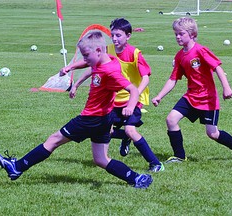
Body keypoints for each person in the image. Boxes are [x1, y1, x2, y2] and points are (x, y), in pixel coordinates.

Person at [0, 31, 153, 189]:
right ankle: (136, 178)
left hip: (90, 119)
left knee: (54, 140)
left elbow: (132, 89)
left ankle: (17, 167)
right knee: (101, 159)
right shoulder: (108, 59)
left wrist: (131, 106)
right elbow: (89, 64)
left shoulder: (109, 71)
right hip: (104, 118)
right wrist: (70, 67)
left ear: (99, 50)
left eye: (86, 55)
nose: (84, 59)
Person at [68, 18, 163, 172]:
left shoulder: (134, 53)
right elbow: (92, 67)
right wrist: (76, 84)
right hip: (112, 102)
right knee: (108, 131)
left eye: (118, 35)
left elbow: (145, 77)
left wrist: (135, 95)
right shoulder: (107, 50)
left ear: (128, 36)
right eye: (112, 35)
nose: (114, 38)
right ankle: (125, 138)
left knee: (130, 130)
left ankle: (155, 163)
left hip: (132, 100)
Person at [152, 17, 232, 163]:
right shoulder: (179, 56)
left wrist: (226, 87)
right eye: (176, 34)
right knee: (171, 119)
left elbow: (217, 67)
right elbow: (173, 79)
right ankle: (179, 156)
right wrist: (159, 96)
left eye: (181, 34)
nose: (177, 37)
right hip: (191, 97)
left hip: (207, 99)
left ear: (192, 34)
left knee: (212, 133)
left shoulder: (200, 50)